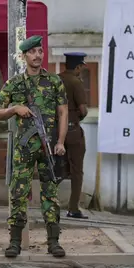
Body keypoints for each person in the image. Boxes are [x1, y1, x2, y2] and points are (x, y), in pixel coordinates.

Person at [0, 35, 68, 258]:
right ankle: (14, 242)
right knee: (18, 193)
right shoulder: (14, 83)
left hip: (49, 146)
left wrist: (61, 141)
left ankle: (53, 242)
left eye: (40, 51)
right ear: (24, 56)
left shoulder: (54, 81)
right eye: (32, 52)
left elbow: (63, 112)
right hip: (24, 149)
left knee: (51, 194)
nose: (37, 55)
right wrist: (15, 108)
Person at [57, 52, 89, 219]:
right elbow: (83, 110)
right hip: (72, 131)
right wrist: (77, 117)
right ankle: (73, 208)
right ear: (77, 67)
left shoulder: (55, 80)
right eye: (82, 67)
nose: (82, 70)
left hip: (55, 132)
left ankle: (49, 202)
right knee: (76, 171)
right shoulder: (76, 82)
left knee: (56, 168)